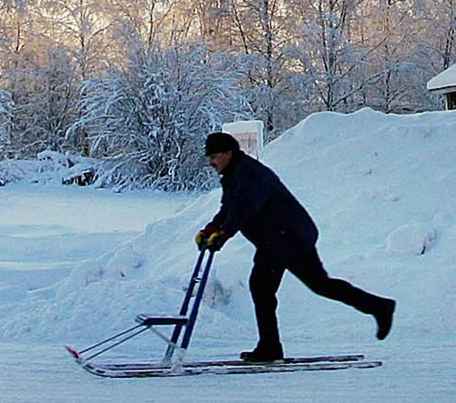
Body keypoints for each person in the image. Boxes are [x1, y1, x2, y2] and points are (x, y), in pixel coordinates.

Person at [195, 132, 396, 362]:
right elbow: (228, 209)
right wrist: (210, 230)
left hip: (287, 237)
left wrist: (223, 235)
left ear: (228, 153)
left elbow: (244, 209)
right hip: (280, 238)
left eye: (214, 156)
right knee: (314, 285)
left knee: (267, 286)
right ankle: (379, 307)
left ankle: (270, 347)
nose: (211, 162)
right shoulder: (235, 174)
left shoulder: (249, 174)